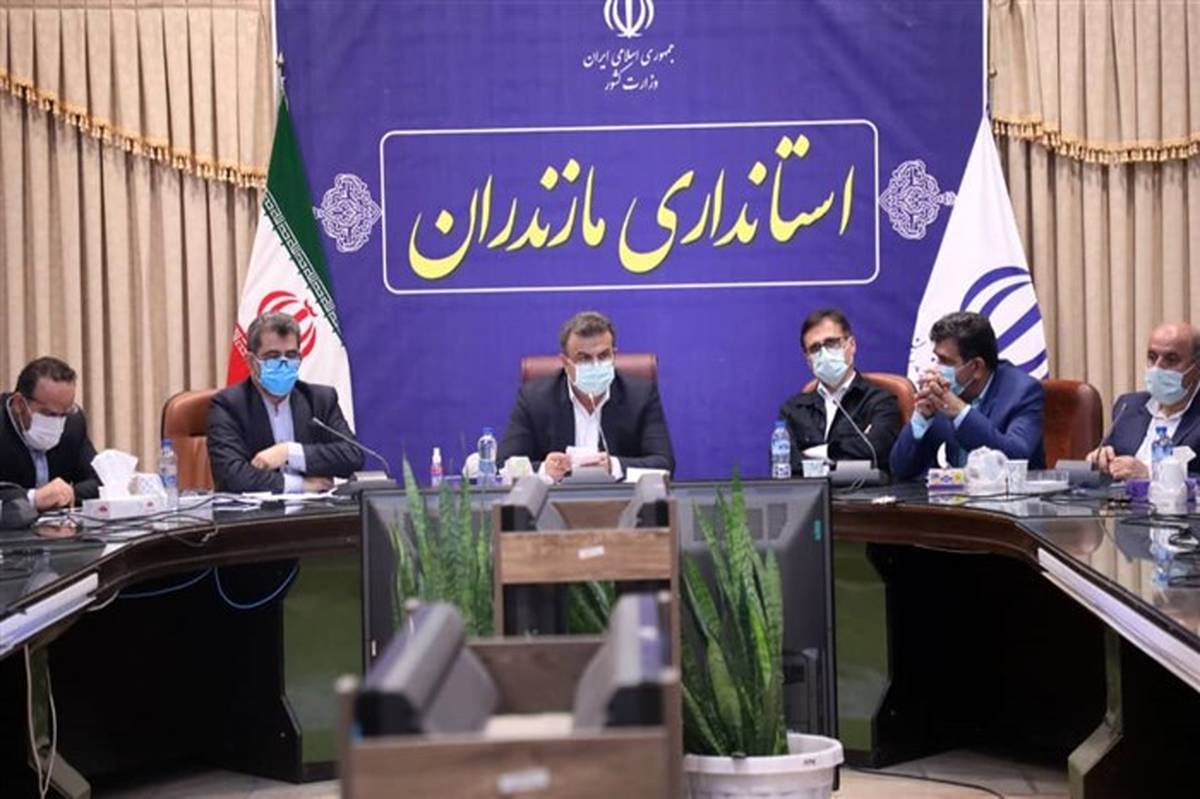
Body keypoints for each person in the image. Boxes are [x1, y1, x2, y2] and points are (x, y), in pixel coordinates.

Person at [498, 310, 674, 482]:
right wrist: (545, 469)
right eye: (584, 358)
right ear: (565, 363)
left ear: (614, 355)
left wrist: (613, 466)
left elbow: (664, 465)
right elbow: (503, 465)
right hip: (554, 498)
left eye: (604, 356)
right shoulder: (535, 398)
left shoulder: (640, 395)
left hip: (620, 499)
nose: (596, 365)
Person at [208, 312, 363, 493]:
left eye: (291, 355)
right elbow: (231, 476)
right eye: (273, 356)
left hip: (314, 510)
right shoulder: (228, 406)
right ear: (251, 362)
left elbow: (353, 455)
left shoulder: (319, 400)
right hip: (258, 511)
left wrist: (289, 452)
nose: (283, 363)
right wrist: (301, 486)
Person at [890, 311, 1045, 480]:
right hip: (953, 494)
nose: (936, 370)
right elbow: (901, 470)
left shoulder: (1023, 392)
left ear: (976, 367)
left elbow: (1016, 459)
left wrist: (960, 412)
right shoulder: (941, 396)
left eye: (945, 361)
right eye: (936, 359)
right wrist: (921, 418)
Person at [778, 308, 900, 472]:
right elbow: (784, 463)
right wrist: (850, 450)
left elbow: (876, 450)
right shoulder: (793, 410)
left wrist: (822, 452)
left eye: (831, 343)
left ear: (851, 345)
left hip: (861, 488)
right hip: (809, 489)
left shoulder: (880, 402)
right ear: (808, 360)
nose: (824, 354)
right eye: (815, 348)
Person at [1087, 322, 1200, 479]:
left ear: (1196, 367)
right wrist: (1101, 458)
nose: (1158, 367)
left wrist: (1151, 474)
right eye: (1152, 357)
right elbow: (1109, 462)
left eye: (1171, 359)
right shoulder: (1128, 406)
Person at [0, 357, 100, 510]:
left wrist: (65, 494)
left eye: (64, 413)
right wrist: (33, 498)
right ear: (19, 404)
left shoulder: (73, 423)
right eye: (49, 414)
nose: (58, 422)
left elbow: (98, 481)